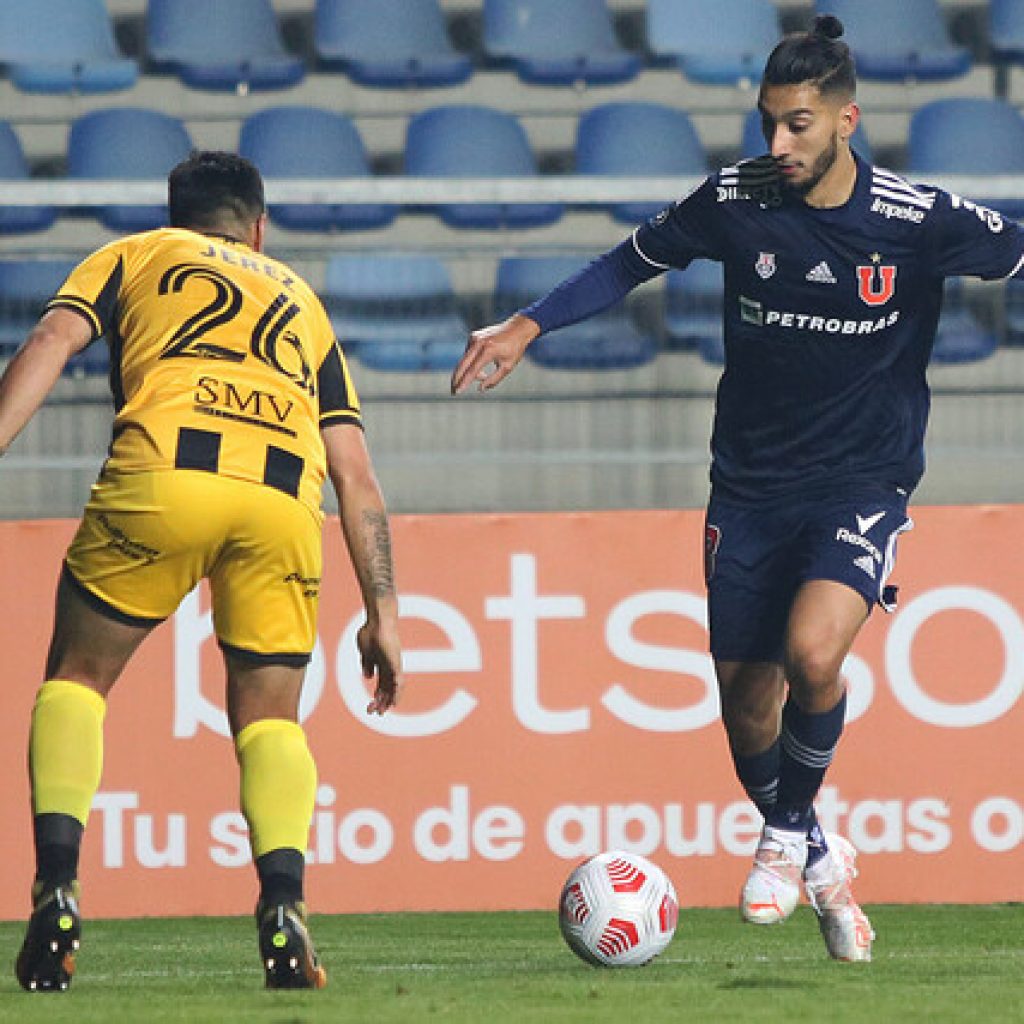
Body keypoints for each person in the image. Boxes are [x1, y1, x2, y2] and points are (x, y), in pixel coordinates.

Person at [453, 16, 1024, 963]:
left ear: (847, 118)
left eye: (798, 125)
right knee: (746, 707)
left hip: (862, 481)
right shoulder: (736, 199)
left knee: (812, 653)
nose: (778, 145)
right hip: (748, 488)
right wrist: (528, 324)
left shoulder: (915, 220)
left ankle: (780, 839)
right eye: (768, 122)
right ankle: (819, 858)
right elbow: (627, 262)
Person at [0, 151, 403, 992]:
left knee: (77, 677)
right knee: (269, 720)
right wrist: (384, 611)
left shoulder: (133, 255)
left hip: (166, 472)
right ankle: (285, 906)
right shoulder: (301, 298)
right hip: (285, 497)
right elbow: (357, 474)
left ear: (172, 214)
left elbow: (50, 340)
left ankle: (59, 884)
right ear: (260, 227)